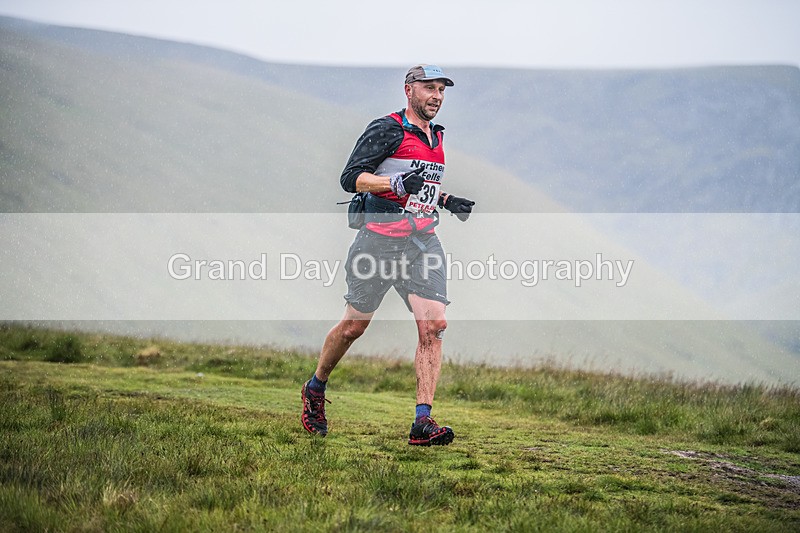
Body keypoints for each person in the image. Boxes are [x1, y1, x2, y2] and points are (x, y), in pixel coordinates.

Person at [301, 64, 475, 446]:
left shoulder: (435, 136)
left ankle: (422, 423)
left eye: (442, 90)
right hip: (377, 242)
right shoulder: (387, 128)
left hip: (422, 243)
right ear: (409, 90)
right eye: (429, 88)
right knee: (353, 327)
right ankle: (315, 389)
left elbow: (419, 187)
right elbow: (352, 178)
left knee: (434, 326)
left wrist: (446, 200)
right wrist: (391, 182)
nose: (437, 96)